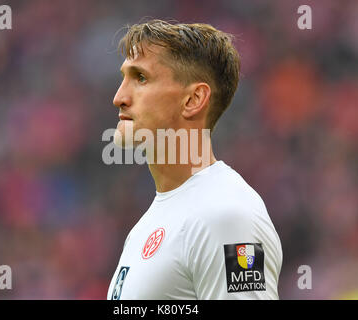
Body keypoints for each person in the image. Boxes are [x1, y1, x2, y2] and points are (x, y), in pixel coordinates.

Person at [107, 19, 282, 300]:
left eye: (140, 78)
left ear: (193, 99)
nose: (119, 97)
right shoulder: (149, 223)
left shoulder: (227, 216)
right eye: (124, 77)